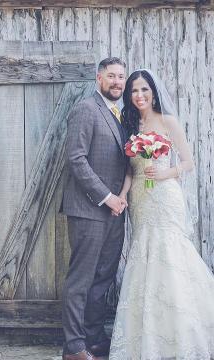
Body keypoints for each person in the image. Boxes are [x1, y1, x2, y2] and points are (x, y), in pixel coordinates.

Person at [109, 69, 214, 359]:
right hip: (140, 197)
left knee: (168, 253)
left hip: (165, 195)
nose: (139, 95)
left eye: (144, 89)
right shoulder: (130, 124)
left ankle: (182, 330)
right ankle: (146, 336)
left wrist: (166, 172)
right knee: (143, 253)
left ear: (153, 92)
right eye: (134, 91)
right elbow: (131, 171)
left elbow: (189, 162)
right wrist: (122, 194)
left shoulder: (167, 121)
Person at [61, 57, 128, 360]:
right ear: (99, 78)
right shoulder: (86, 109)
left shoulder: (122, 115)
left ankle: (94, 338)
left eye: (121, 77)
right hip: (89, 209)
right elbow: (76, 159)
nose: (117, 82)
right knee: (81, 280)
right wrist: (106, 196)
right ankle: (74, 347)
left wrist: (122, 198)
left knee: (104, 277)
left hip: (115, 212)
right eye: (112, 76)